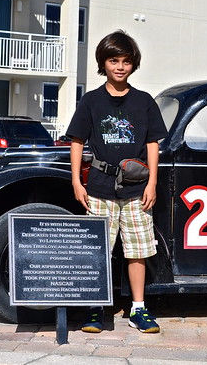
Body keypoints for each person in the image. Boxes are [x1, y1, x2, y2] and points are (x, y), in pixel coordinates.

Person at [66, 30, 168, 334]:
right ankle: (95, 308)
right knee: (97, 250)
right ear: (103, 62)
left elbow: (153, 144)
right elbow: (76, 142)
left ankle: (138, 308)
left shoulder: (144, 101)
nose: (120, 66)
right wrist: (76, 181)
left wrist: (152, 184)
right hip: (99, 187)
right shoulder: (91, 101)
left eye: (125, 61)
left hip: (137, 190)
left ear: (133, 64)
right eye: (114, 60)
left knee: (137, 251)